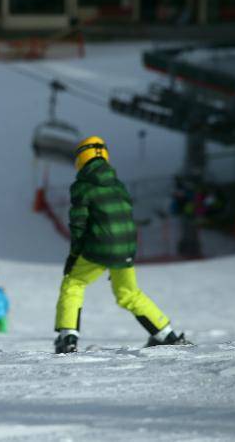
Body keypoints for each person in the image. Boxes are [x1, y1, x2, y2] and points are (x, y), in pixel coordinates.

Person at [54, 136, 190, 354]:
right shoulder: (118, 186)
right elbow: (127, 220)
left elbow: (78, 225)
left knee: (74, 284)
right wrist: (123, 255)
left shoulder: (83, 186)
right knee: (129, 292)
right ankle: (166, 335)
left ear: (82, 157)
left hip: (97, 248)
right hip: (125, 249)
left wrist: (74, 256)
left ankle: (67, 338)